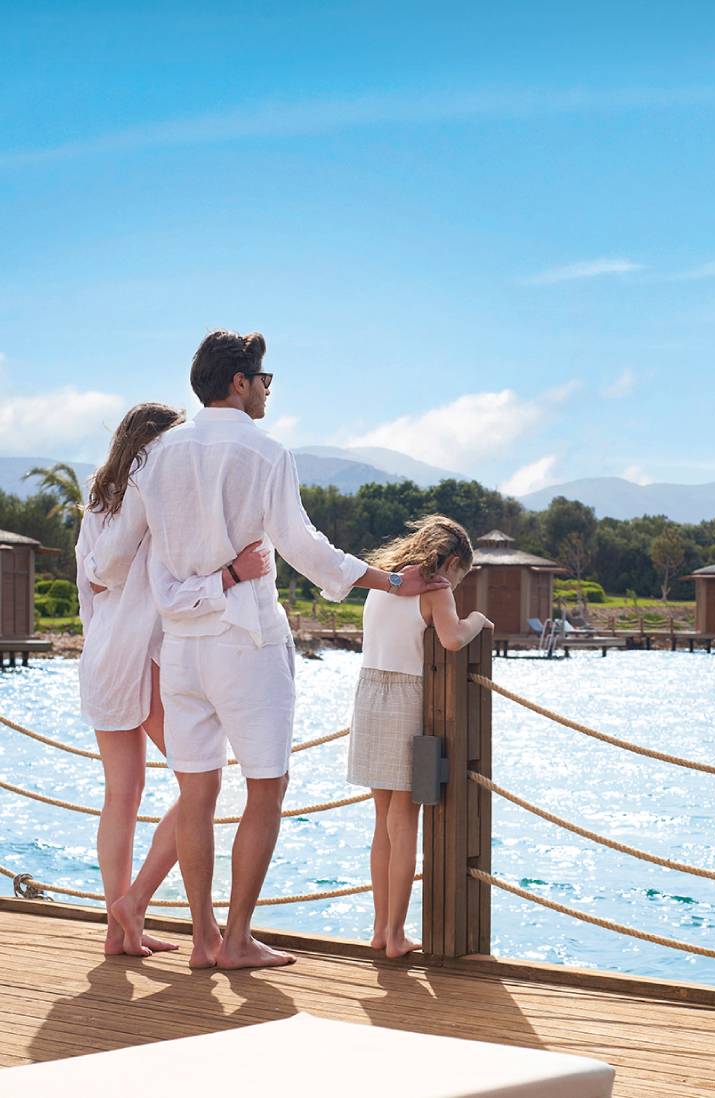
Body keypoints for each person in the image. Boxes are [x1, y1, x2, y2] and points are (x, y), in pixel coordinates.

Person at [85, 330, 450, 971]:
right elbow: (303, 546)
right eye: (265, 380)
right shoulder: (266, 451)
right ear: (239, 382)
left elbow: (113, 560)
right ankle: (236, 940)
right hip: (247, 643)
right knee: (265, 787)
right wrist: (392, 580)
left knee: (195, 794)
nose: (268, 390)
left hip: (181, 650)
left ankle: (201, 941)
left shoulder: (154, 458)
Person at [76, 403, 268, 957]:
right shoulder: (149, 490)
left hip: (104, 654)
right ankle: (134, 905)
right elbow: (112, 567)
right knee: (199, 785)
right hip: (146, 651)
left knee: (123, 794)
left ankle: (121, 927)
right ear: (158, 445)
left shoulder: (97, 499)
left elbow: (92, 582)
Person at [347, 515, 491, 958]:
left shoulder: (384, 583)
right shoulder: (436, 590)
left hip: (369, 692)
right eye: (459, 575)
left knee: (381, 822)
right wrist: (478, 620)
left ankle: (379, 929)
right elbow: (451, 639)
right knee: (404, 819)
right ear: (449, 563)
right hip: (406, 698)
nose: (457, 584)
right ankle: (395, 936)